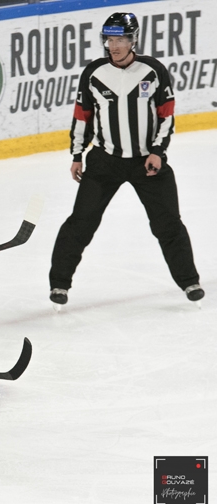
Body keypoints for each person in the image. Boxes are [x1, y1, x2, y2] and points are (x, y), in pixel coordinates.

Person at [48, 12, 204, 308]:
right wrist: (77, 155)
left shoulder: (153, 70)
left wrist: (158, 152)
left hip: (147, 163)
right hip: (105, 162)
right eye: (109, 39)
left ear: (133, 40)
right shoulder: (94, 73)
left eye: (120, 39)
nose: (114, 46)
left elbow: (166, 115)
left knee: (168, 224)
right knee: (81, 223)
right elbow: (83, 116)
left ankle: (189, 282)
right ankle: (59, 284)